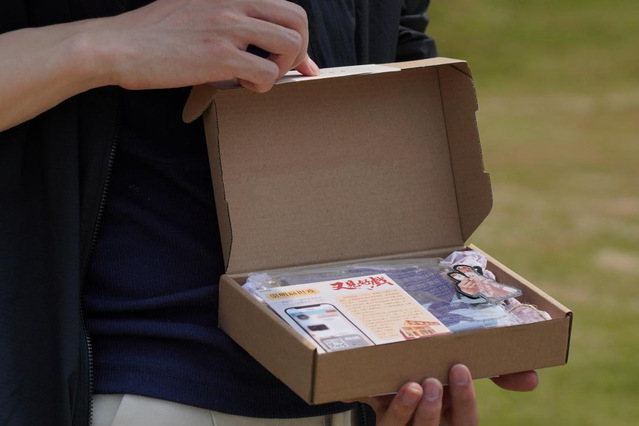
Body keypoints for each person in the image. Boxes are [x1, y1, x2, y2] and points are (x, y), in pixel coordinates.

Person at [0, 1, 538, 425]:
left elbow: (398, 57)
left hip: (344, 383)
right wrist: (102, 44)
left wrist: (425, 340)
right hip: (130, 388)